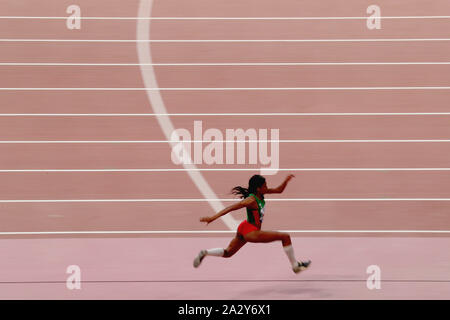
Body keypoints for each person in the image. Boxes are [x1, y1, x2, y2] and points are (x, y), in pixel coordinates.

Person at [193, 174, 311, 273]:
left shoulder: (261, 193)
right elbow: (231, 208)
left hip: (244, 227)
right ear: (258, 188)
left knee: (228, 253)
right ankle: (295, 266)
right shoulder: (251, 200)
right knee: (285, 237)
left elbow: (279, 190)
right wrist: (212, 218)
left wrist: (286, 181)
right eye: (265, 186)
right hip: (251, 231)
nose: (267, 187)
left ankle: (206, 252)